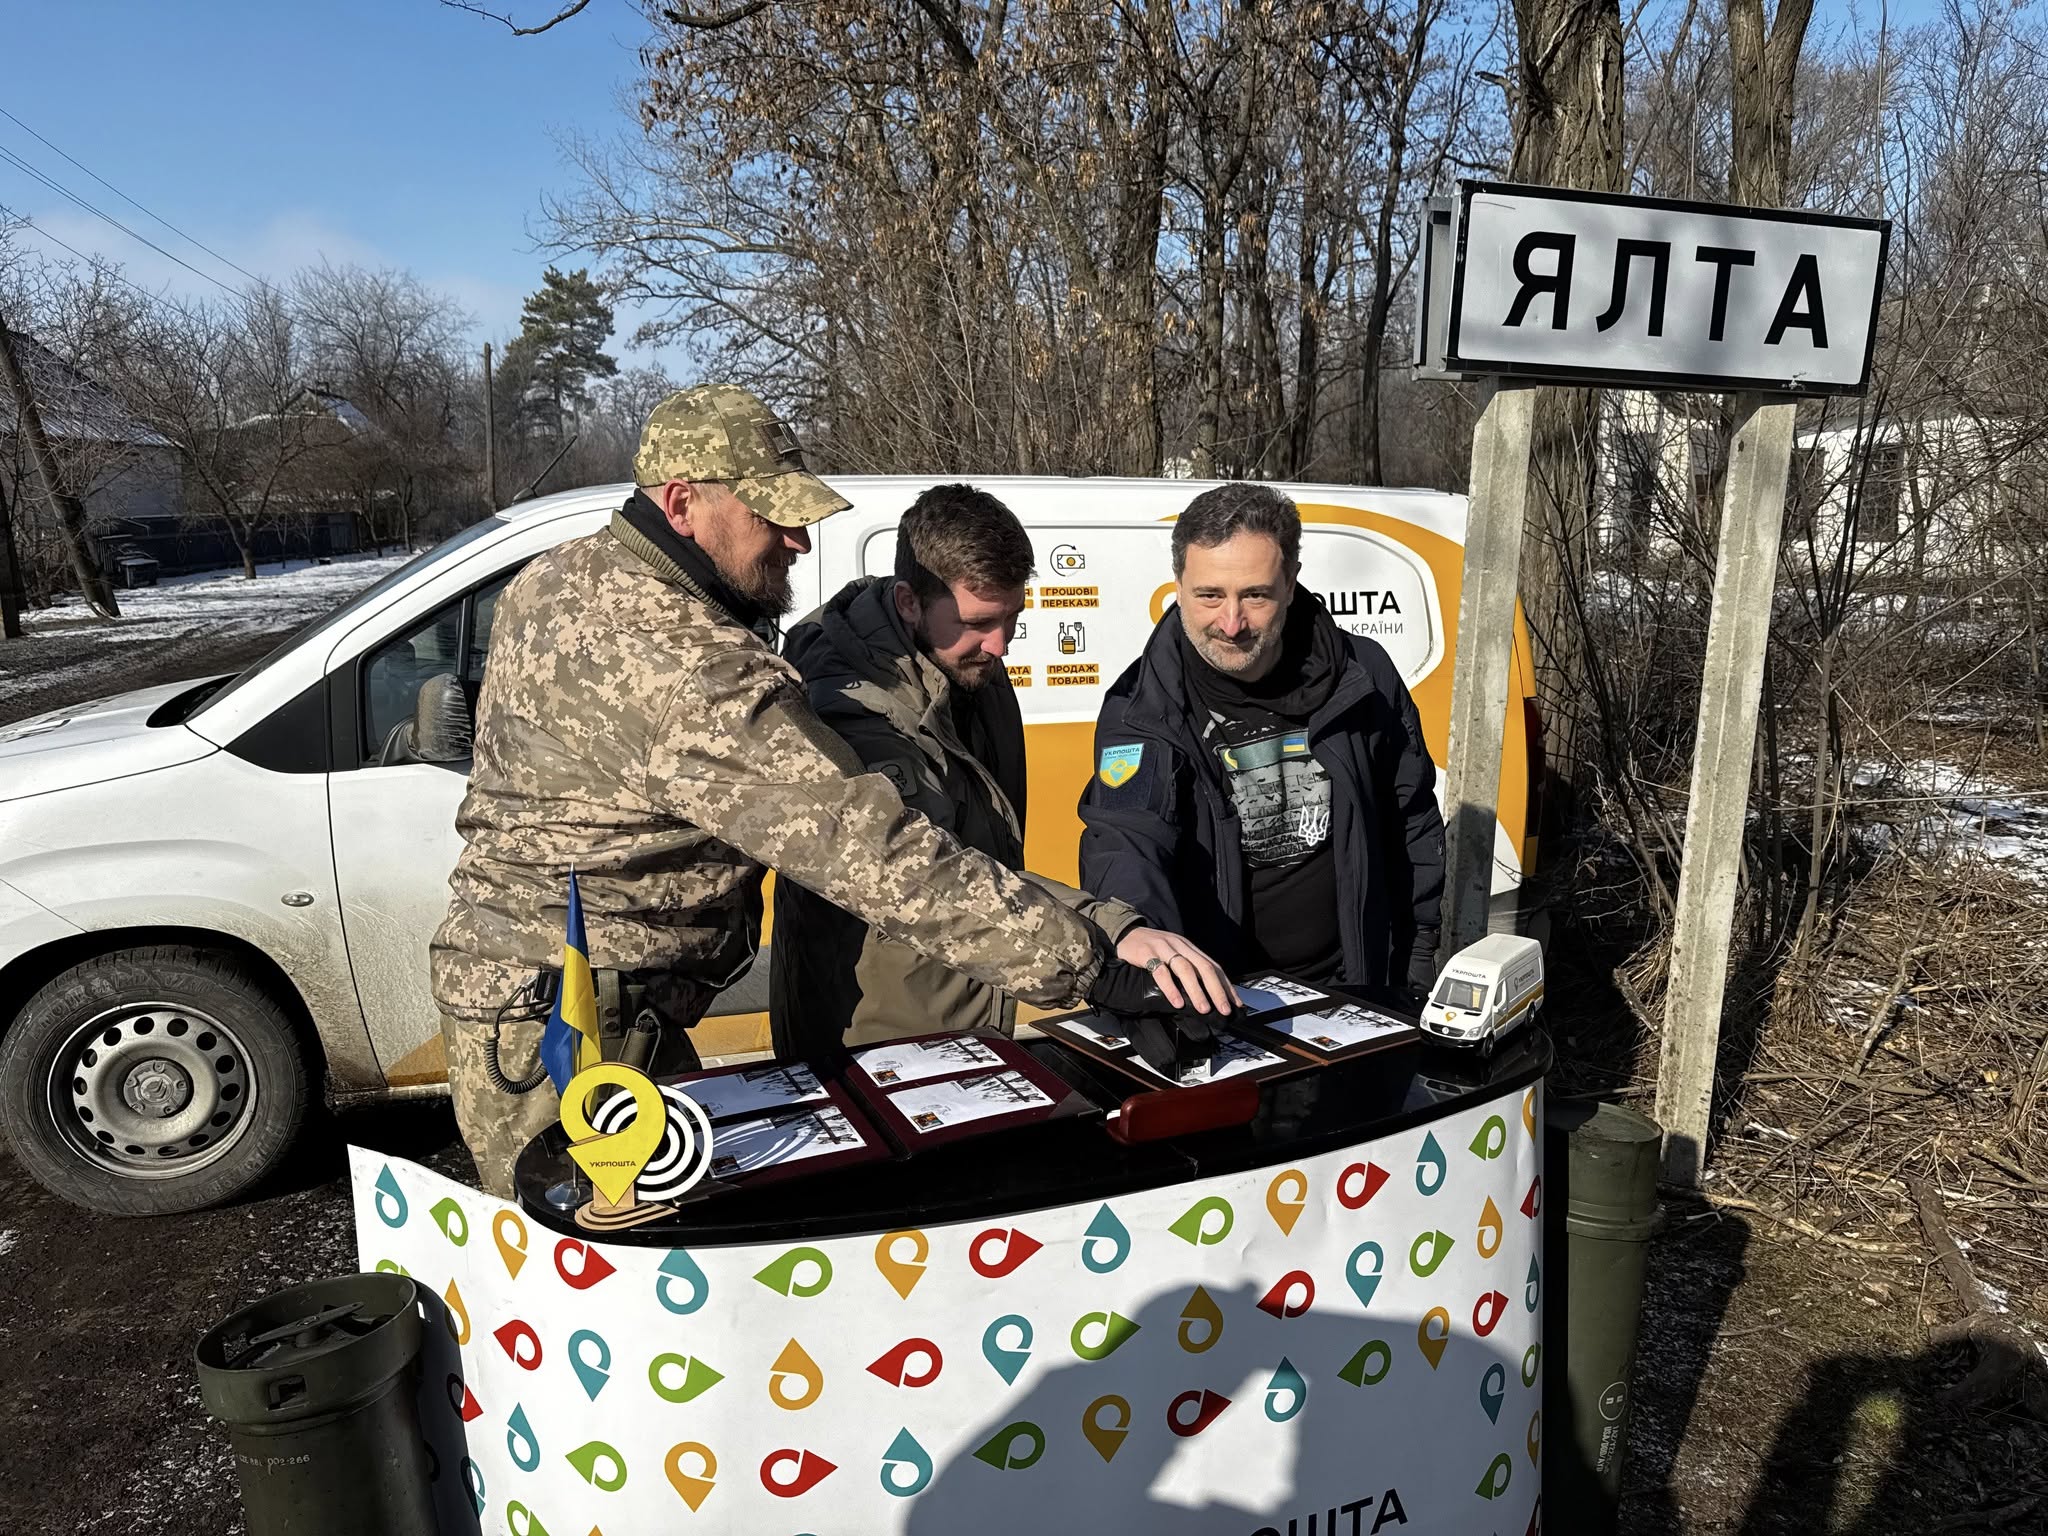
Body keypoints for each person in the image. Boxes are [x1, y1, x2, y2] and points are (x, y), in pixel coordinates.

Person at [430, 385, 1232, 1196]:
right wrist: (1093, 960)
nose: (798, 541)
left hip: (553, 1005)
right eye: (771, 517)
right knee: (609, 1284)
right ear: (681, 503)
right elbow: (872, 851)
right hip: (577, 1035)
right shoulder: (689, 665)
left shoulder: (563, 575)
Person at [772, 484, 1188, 1060]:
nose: (1001, 646)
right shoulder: (854, 712)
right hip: (881, 1035)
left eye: (1012, 618)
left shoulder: (963, 659)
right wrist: (1109, 931)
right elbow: (942, 864)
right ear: (908, 601)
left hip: (971, 998)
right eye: (979, 622)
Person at [1078, 482, 1446, 1000]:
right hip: (1218, 997)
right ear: (1178, 584)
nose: (1231, 624)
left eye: (1255, 595)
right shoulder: (1143, 706)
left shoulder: (1363, 676)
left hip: (1356, 988)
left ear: (1291, 584)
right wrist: (1143, 947)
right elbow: (1126, 841)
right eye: (1209, 595)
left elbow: (1411, 820)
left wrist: (1420, 958)